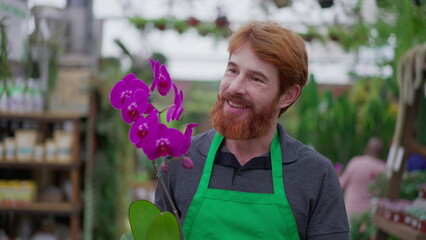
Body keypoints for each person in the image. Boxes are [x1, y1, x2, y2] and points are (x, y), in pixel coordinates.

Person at [155, 21, 350, 239]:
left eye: (255, 78)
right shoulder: (181, 161)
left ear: (287, 96)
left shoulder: (315, 174)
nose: (235, 87)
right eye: (233, 70)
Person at [339, 137, 386, 219]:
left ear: (366, 149)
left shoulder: (356, 162)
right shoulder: (384, 169)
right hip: (370, 217)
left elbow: (340, 185)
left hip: (350, 212)